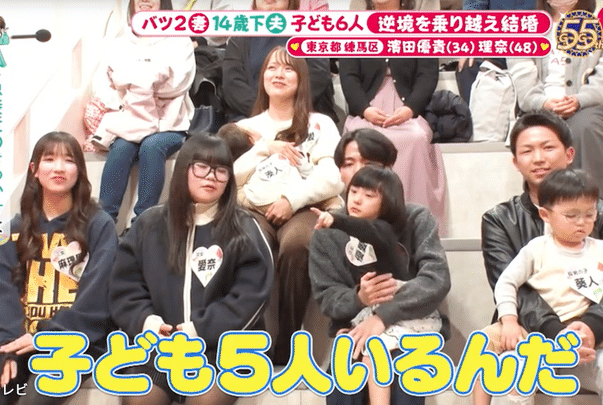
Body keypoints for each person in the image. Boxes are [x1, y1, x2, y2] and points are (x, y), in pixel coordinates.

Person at [480, 111, 603, 404]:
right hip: (529, 333)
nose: (538, 158)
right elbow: (512, 287)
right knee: (505, 371)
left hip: (595, 335)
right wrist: (558, 333)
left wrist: (590, 327)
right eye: (527, 151)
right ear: (515, 162)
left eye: (548, 147)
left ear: (569, 154)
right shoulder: (498, 219)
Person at [109, 135, 274, 405]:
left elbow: (251, 297)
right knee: (140, 399)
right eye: (202, 167)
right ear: (184, 168)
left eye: (221, 170)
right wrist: (147, 323)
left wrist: (199, 329)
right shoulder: (149, 224)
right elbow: (125, 288)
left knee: (205, 401)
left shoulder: (244, 227)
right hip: (159, 348)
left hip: (225, 349)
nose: (211, 177)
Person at [0, 132, 118, 405]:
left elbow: (97, 299)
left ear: (79, 171)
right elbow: (1, 296)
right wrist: (5, 347)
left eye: (68, 160)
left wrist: (47, 337)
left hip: (71, 343)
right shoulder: (13, 230)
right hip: (18, 342)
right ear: (34, 170)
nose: (59, 168)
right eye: (49, 159)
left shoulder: (99, 225)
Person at [316, 127, 450, 405]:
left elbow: (435, 280)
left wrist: (383, 316)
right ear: (340, 172)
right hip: (354, 329)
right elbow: (328, 296)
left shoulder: (415, 218)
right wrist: (359, 298)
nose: (359, 171)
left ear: (388, 171)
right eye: (349, 163)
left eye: (369, 163)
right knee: (345, 384)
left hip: (410, 325)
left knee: (404, 385)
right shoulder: (326, 230)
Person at [234, 46, 343, 364]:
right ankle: (244, 339)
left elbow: (332, 177)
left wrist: (291, 200)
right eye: (271, 68)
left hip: (304, 207)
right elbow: (230, 176)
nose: (278, 74)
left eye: (288, 68)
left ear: (301, 79)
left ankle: (287, 341)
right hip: (252, 208)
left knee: (298, 244)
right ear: (262, 77)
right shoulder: (245, 127)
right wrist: (263, 148)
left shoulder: (320, 123)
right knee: (246, 241)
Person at [339, 1, 446, 231]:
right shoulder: (355, 25)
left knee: (416, 138)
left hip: (407, 110)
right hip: (368, 109)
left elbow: (427, 74)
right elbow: (348, 76)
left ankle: (412, 220)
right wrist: (365, 110)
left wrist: (410, 109)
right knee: (358, 138)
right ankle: (361, 217)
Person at [90, 0, 196, 228]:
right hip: (130, 120)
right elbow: (105, 84)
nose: (145, 0)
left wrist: (129, 82)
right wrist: (150, 78)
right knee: (120, 148)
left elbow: (177, 84)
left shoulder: (179, 40)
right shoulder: (119, 42)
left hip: (169, 122)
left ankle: (142, 224)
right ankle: (103, 224)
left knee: (152, 146)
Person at [508, 0, 603, 198]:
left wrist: (579, 100)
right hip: (538, 108)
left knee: (584, 126)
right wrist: (543, 103)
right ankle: (545, 208)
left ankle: (587, 207)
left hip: (591, 107)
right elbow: (523, 83)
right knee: (537, 132)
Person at [222, 0, 336, 123]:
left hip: (301, 115)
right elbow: (233, 84)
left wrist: (286, 111)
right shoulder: (239, 39)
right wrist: (267, 113)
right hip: (250, 116)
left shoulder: (308, 33)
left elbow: (318, 76)